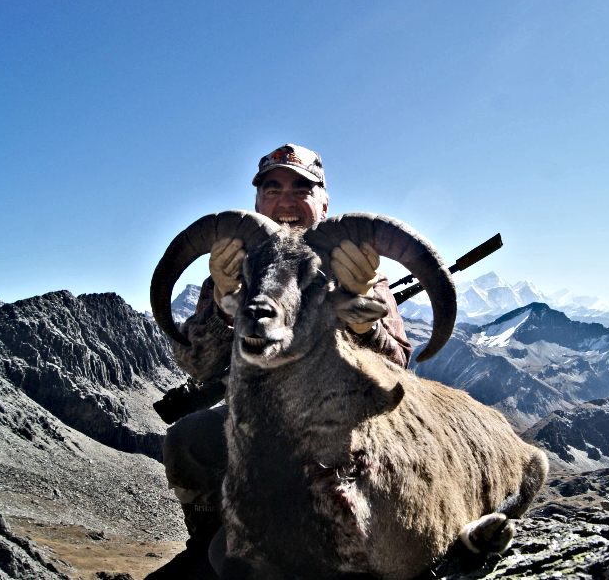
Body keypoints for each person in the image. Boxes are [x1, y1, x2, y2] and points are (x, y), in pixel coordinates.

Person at [147, 143, 412, 579]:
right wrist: (220, 300)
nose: (285, 201)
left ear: (323, 203)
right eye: (272, 189)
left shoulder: (357, 269)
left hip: (338, 433)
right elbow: (198, 365)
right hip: (260, 425)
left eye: (301, 188)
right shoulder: (233, 269)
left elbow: (398, 369)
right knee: (188, 440)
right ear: (257, 202)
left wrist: (362, 314)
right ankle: (213, 536)